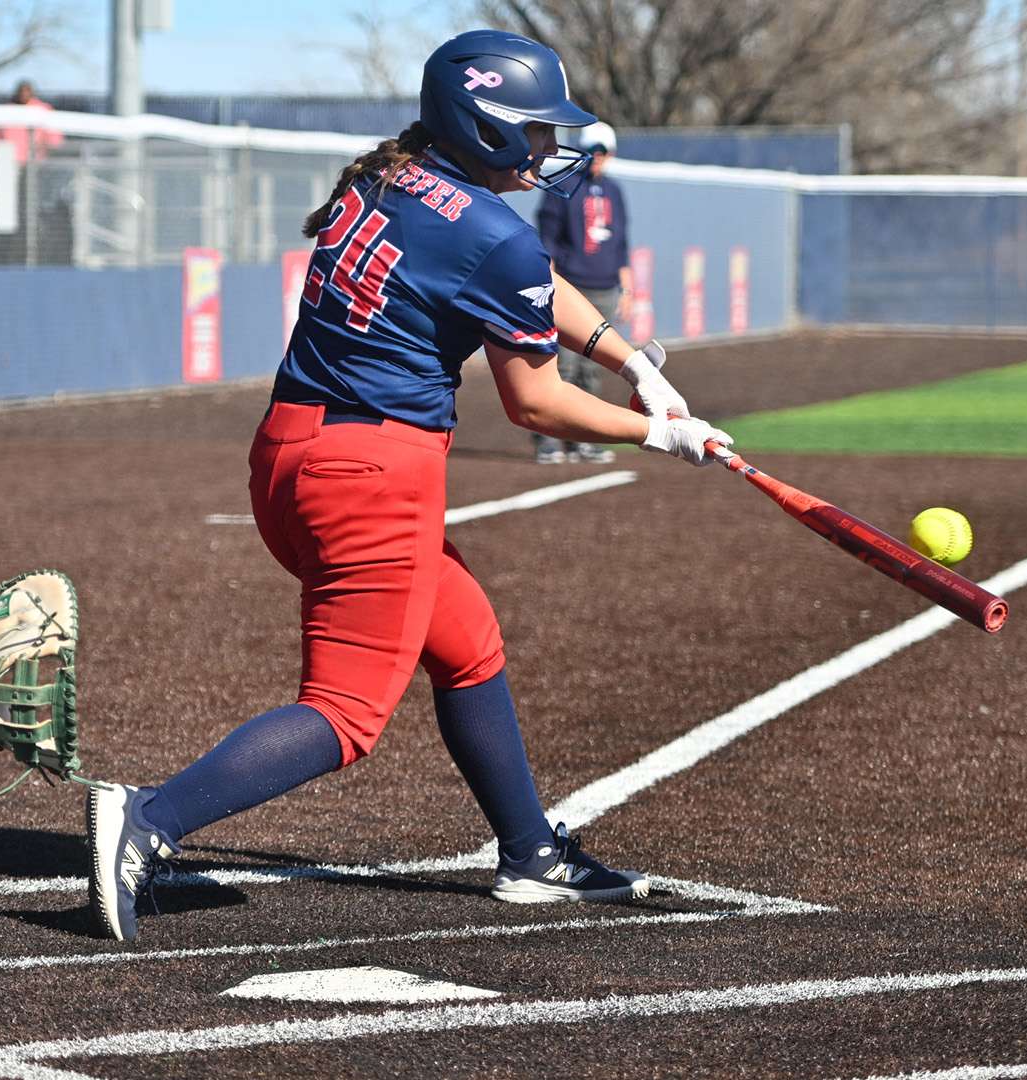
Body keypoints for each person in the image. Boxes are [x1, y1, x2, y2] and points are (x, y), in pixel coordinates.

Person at [85, 30, 732, 942]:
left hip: (291, 452)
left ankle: (531, 854)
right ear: (487, 128)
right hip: (369, 477)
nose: (550, 150)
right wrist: (659, 432)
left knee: (466, 640)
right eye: (536, 131)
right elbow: (536, 404)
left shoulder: (392, 174)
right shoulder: (491, 230)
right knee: (344, 715)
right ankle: (147, 819)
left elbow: (538, 286)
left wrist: (633, 362)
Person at [533, 121, 634, 465]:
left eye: (603, 153)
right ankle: (549, 440)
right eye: (592, 152)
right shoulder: (562, 186)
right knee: (562, 366)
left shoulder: (614, 191)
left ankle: (584, 440)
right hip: (571, 286)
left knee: (592, 371)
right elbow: (547, 239)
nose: (597, 159)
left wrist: (627, 286)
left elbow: (621, 241)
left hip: (605, 287)